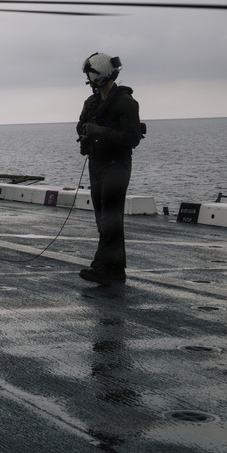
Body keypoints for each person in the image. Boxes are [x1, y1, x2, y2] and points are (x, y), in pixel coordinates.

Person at [76, 52, 142, 287]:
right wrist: (85, 130)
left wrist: (100, 132)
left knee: (110, 218)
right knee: (102, 217)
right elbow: (80, 125)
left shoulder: (125, 102)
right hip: (97, 164)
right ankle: (115, 270)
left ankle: (103, 267)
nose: (88, 80)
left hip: (117, 165)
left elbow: (133, 138)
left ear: (99, 75)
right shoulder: (91, 103)